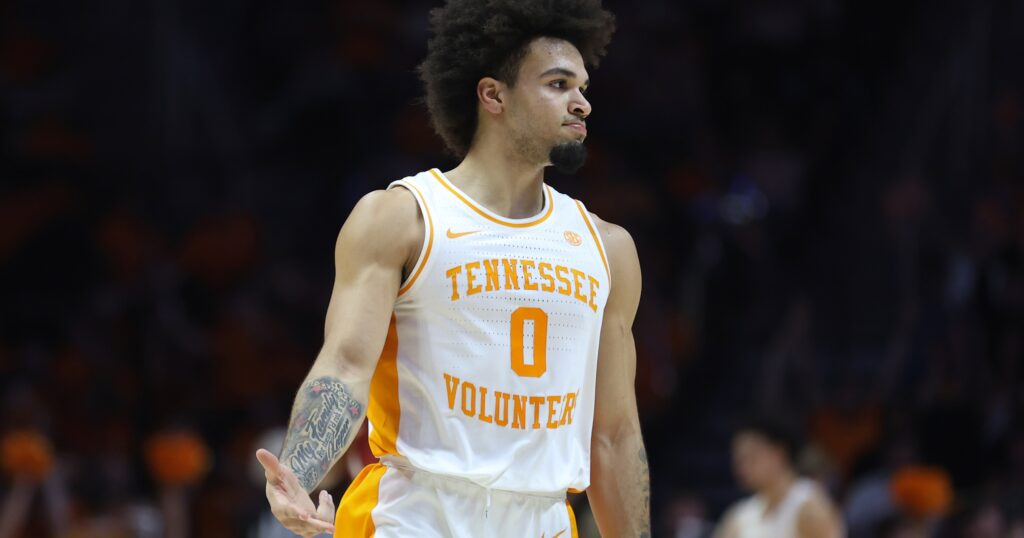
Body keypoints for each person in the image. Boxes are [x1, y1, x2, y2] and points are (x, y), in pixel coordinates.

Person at [254, 0, 650, 536]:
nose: (582, 103)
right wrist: (298, 475)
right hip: (416, 512)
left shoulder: (608, 248)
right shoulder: (403, 218)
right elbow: (346, 365)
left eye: (582, 87)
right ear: (493, 95)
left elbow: (615, 435)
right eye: (558, 84)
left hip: (544, 518)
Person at [715, 416, 844, 538]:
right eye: (739, 461)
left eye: (751, 458)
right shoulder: (740, 515)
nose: (743, 467)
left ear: (778, 454)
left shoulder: (809, 507)